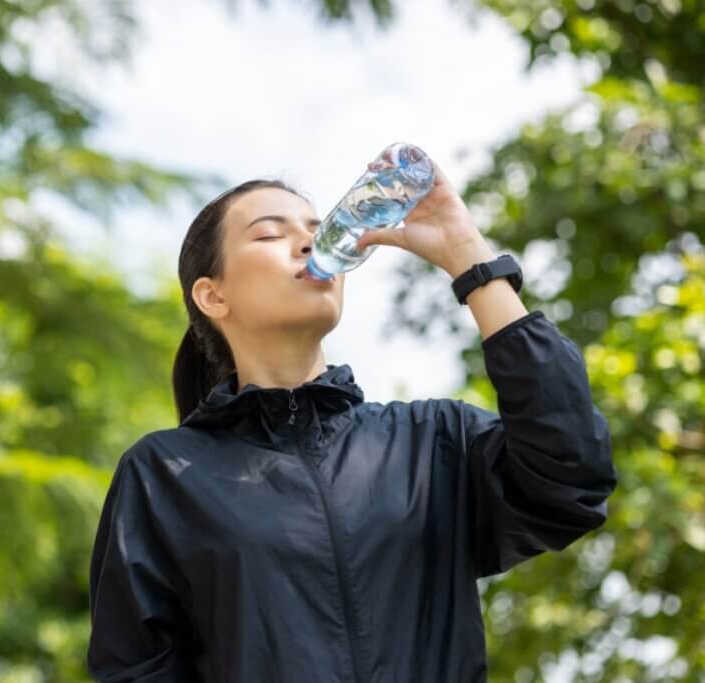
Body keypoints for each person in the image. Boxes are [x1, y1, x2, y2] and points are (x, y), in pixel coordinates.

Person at [85, 161, 617, 682]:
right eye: (270, 234)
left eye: (318, 230)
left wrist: (469, 257)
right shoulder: (164, 474)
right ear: (212, 295)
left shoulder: (433, 444)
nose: (309, 243)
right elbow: (135, 669)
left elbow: (571, 479)